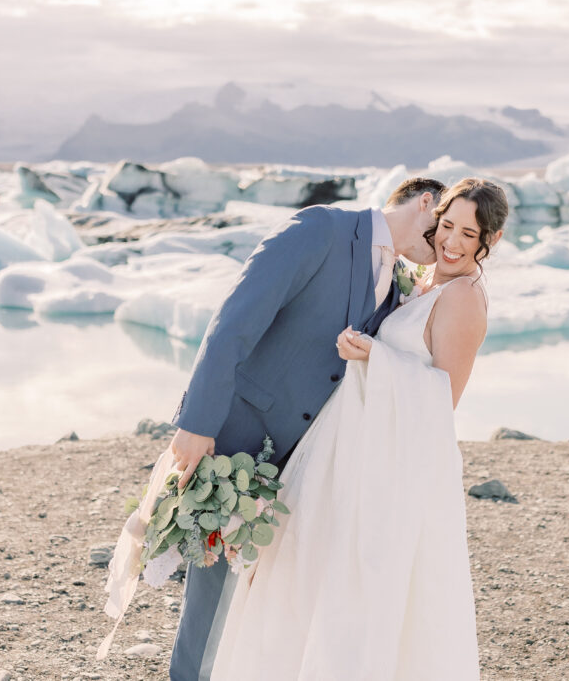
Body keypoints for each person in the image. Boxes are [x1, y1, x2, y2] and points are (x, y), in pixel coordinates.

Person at [208, 177, 509, 680]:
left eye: (468, 235)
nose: (451, 243)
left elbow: (442, 402)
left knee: (356, 590)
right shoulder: (430, 283)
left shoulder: (463, 298)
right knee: (311, 578)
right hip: (353, 450)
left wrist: (379, 357)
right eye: (447, 226)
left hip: (389, 469)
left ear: (489, 242)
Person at [166, 177, 446, 681]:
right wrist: (198, 422)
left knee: (272, 596)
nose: (444, 240)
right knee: (211, 597)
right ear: (424, 201)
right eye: (441, 225)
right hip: (240, 439)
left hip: (311, 459)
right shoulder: (322, 229)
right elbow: (234, 320)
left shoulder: (398, 279)